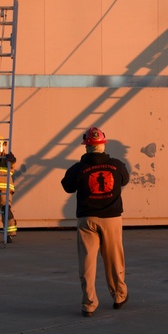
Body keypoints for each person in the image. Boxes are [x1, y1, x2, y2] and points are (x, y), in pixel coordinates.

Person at [60, 126, 130, 317]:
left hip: (87, 219)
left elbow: (67, 186)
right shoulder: (117, 165)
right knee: (114, 259)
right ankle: (119, 296)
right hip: (112, 219)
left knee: (87, 262)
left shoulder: (78, 168)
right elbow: (124, 180)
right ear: (103, 145)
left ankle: (89, 303)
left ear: (86, 146)